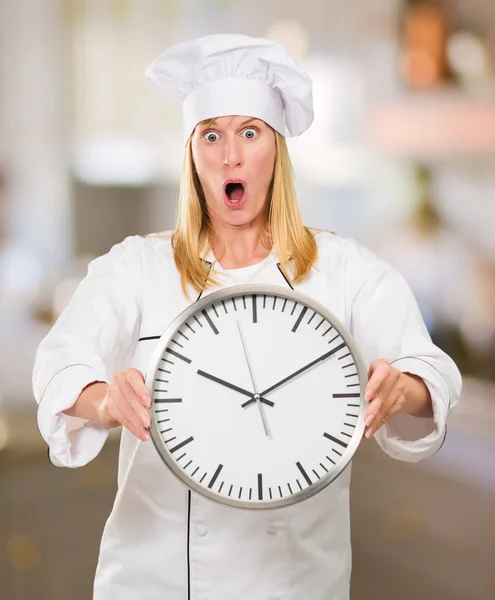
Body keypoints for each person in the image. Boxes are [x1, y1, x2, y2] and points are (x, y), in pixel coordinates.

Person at [32, 34, 462, 600]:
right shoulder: (135, 267)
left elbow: (431, 371)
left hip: (293, 582)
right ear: (192, 154)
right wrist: (104, 400)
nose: (229, 155)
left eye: (249, 133)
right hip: (153, 580)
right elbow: (60, 365)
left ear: (275, 154)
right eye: (211, 135)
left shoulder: (347, 272)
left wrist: (400, 389)